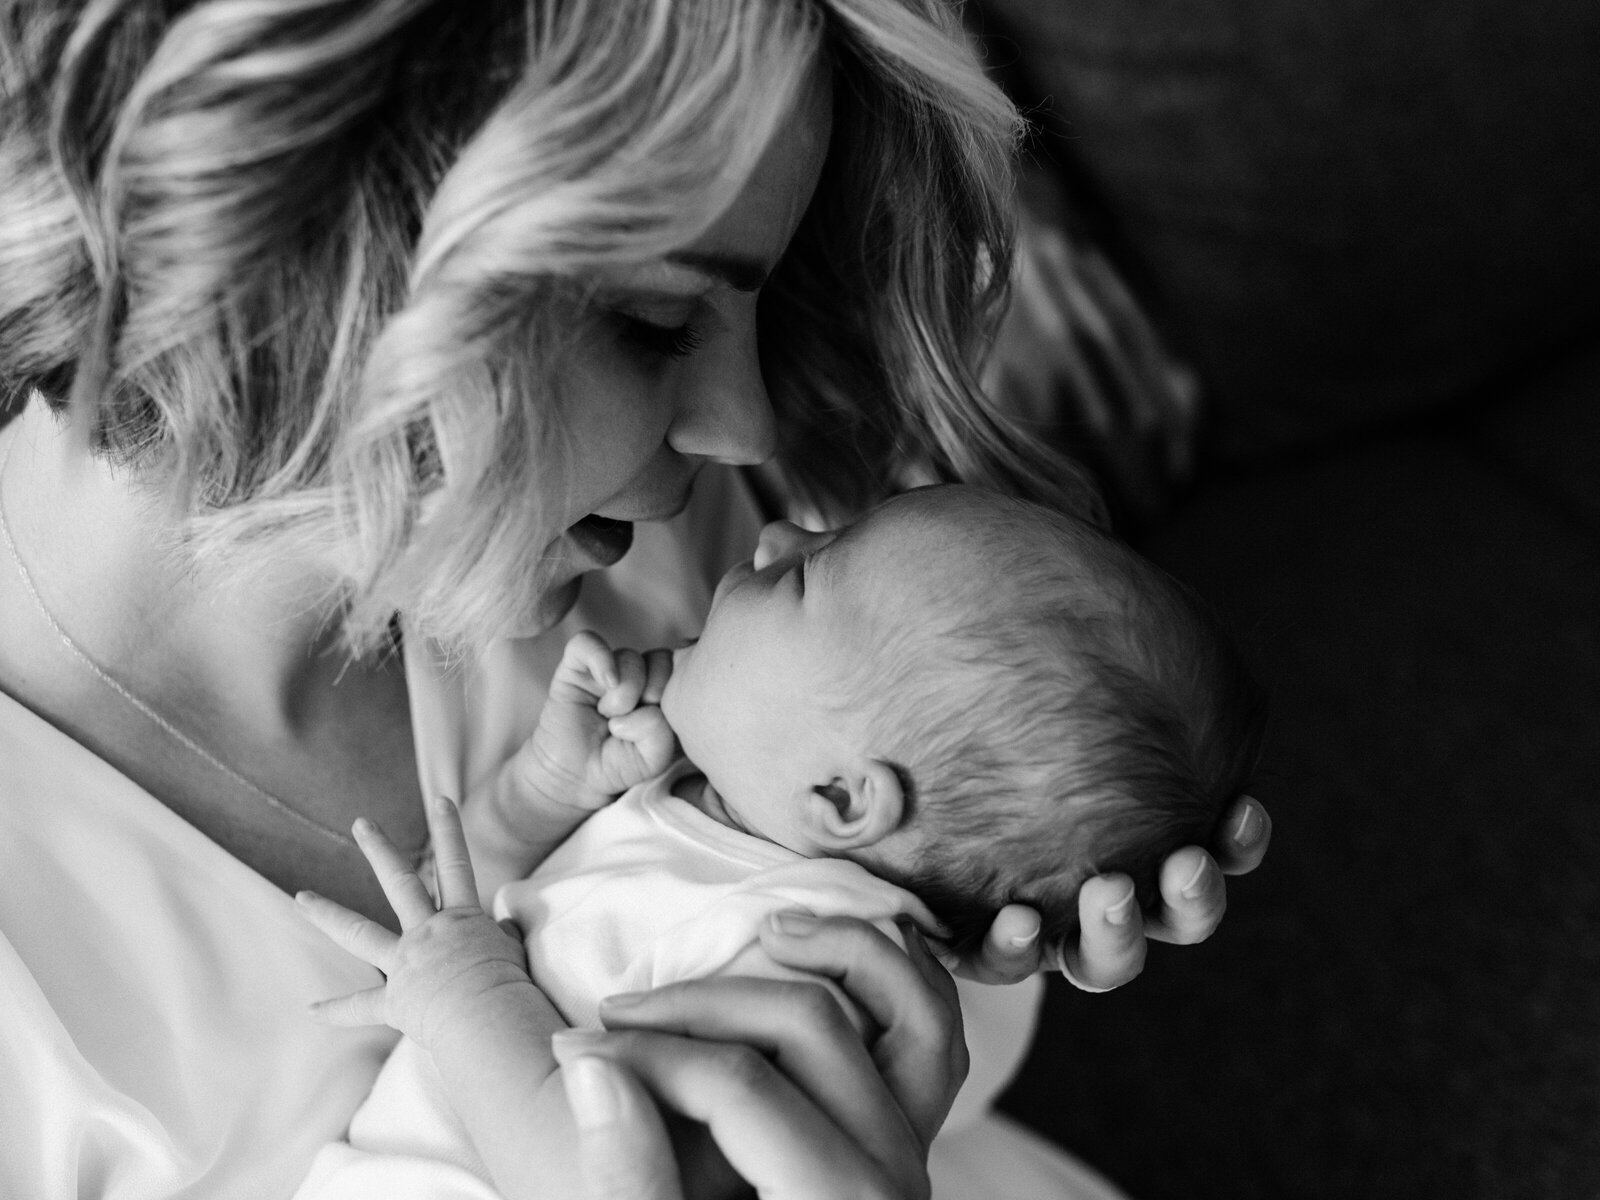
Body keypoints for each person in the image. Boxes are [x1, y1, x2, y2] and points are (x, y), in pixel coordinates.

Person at [0, 1, 1272, 1197]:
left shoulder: (679, 564)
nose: (743, 423)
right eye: (658, 322)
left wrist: (979, 938)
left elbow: (919, 1043)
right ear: (317, 264)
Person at [294, 483, 1268, 1198]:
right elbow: (494, 917)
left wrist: (468, 1000)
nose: (771, 534)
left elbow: (600, 1177)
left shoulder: (801, 958)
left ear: (843, 797)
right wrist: (544, 793)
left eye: (804, 574)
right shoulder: (719, 815)